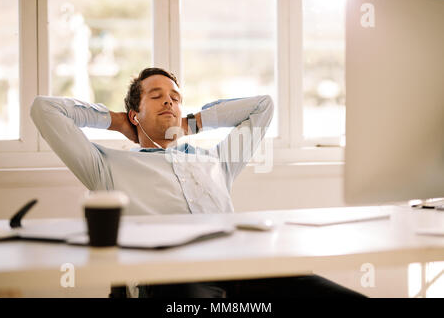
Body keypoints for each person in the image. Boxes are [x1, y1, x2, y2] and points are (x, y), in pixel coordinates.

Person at [30, 67, 365, 298]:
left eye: (175, 98)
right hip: (173, 280)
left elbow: (263, 107)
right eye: (156, 96)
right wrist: (115, 121)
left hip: (243, 269)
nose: (169, 102)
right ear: (135, 114)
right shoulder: (106, 166)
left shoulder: (217, 161)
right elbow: (44, 110)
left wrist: (192, 123)